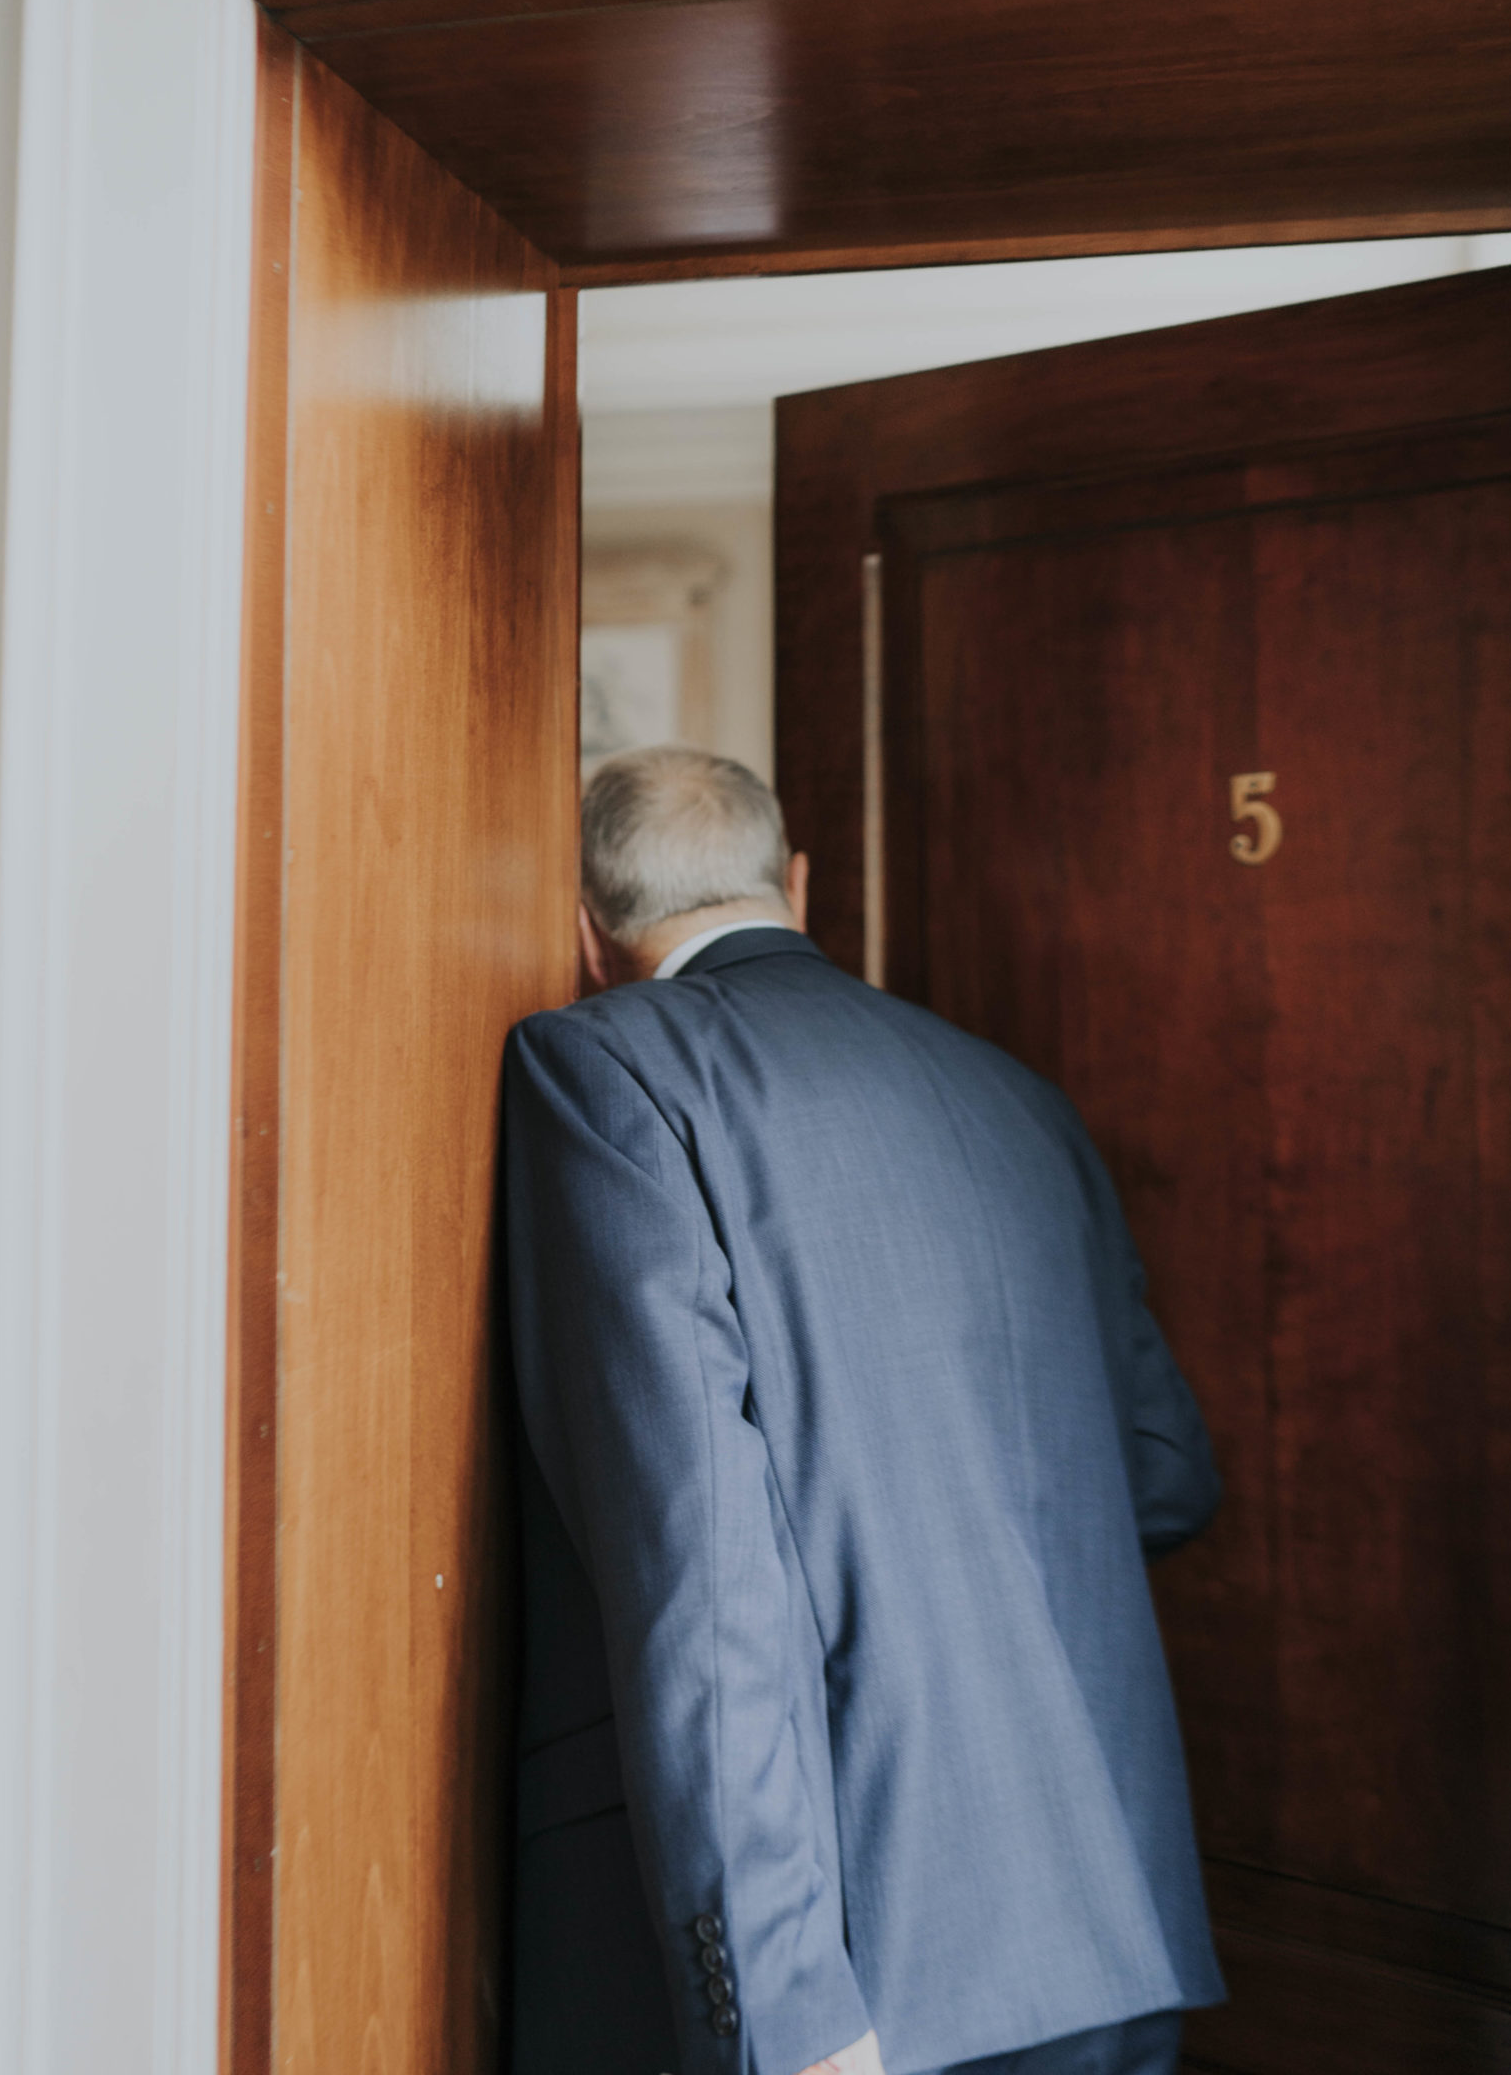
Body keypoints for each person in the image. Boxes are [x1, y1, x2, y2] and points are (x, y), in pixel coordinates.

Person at [502, 747, 1224, 2075]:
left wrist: (780, 2003)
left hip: (854, 1961)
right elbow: (1168, 1473)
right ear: (794, 881)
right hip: (1103, 1923)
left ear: (581, 923)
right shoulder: (1014, 1097)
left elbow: (700, 1567)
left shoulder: (610, 1073)